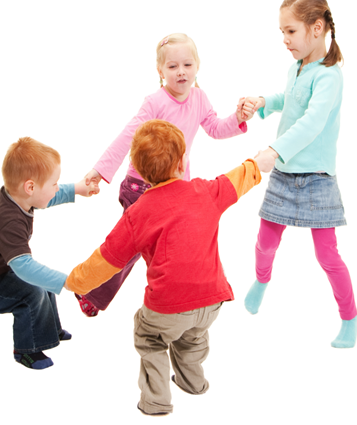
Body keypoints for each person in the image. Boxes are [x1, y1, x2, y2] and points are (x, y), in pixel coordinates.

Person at [66, 119, 275, 415]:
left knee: (148, 336)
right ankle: (193, 382)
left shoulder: (138, 213)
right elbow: (237, 178)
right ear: (181, 163)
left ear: (140, 171)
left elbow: (106, 259)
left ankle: (156, 401)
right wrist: (259, 162)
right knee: (193, 338)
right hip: (212, 301)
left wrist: (74, 281)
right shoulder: (205, 190)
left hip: (167, 308)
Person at [77, 32, 253, 317]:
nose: (181, 71)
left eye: (187, 65)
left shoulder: (199, 98)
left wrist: (238, 119)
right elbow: (127, 136)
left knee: (171, 247)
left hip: (175, 189)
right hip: (141, 187)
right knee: (130, 246)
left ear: (197, 66)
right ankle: (91, 290)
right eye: (172, 66)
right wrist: (99, 171)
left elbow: (216, 128)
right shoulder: (154, 102)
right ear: (160, 71)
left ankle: (180, 300)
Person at [241, 0, 357, 348]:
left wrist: (274, 150)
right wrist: (264, 102)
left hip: (317, 179)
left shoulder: (329, 76)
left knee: (327, 254)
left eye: (290, 31)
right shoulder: (297, 67)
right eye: (282, 32)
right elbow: (289, 100)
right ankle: (262, 280)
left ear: (316, 28)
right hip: (285, 175)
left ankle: (349, 318)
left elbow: (311, 122)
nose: (285, 39)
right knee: (265, 243)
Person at [0, 137, 98, 369]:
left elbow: (48, 196)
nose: (56, 188)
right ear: (30, 187)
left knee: (44, 283)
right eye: (54, 183)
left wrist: (78, 189)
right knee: (33, 292)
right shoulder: (7, 220)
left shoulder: (20, 197)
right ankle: (26, 350)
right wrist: (68, 281)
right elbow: (24, 268)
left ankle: (49, 330)